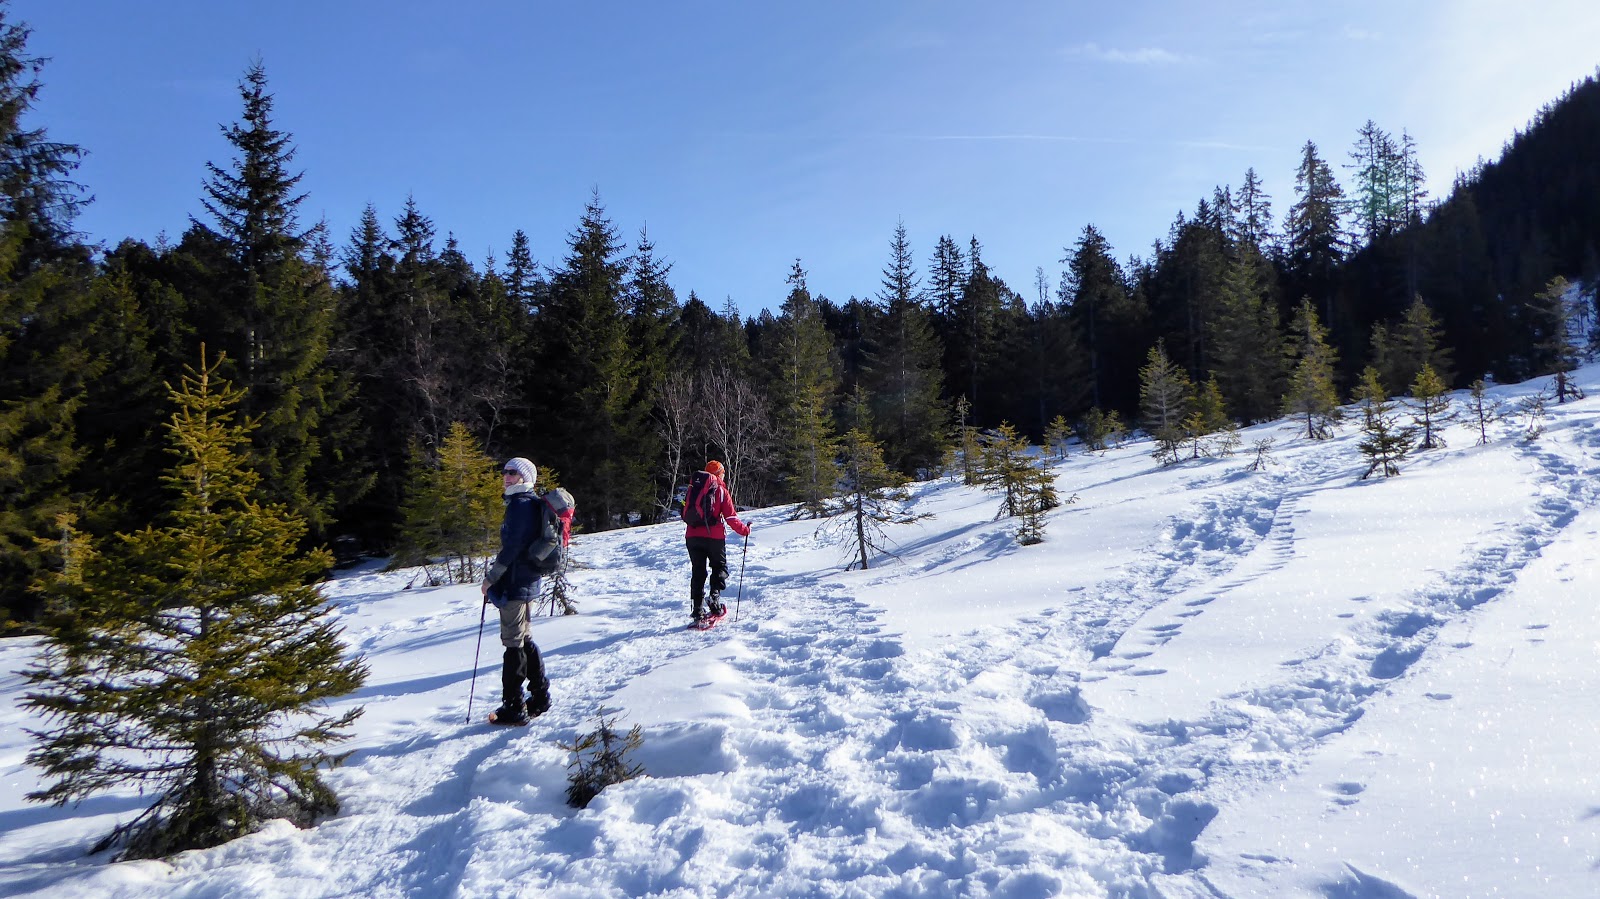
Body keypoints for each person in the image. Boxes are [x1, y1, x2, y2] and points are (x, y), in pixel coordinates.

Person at [481, 457, 554, 725]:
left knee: (513, 643)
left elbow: (512, 548)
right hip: (527, 580)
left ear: (525, 477)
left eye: (513, 472)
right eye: (505, 471)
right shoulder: (530, 502)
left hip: (515, 582)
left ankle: (514, 707)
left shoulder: (520, 505)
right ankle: (540, 696)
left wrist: (491, 579)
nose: (506, 476)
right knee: (524, 638)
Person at [681, 459, 751, 625]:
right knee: (719, 567)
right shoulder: (721, 491)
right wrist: (745, 530)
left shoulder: (693, 489)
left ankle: (697, 609)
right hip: (714, 537)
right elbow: (731, 517)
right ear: (719, 474)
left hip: (692, 536)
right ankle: (714, 599)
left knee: (698, 572)